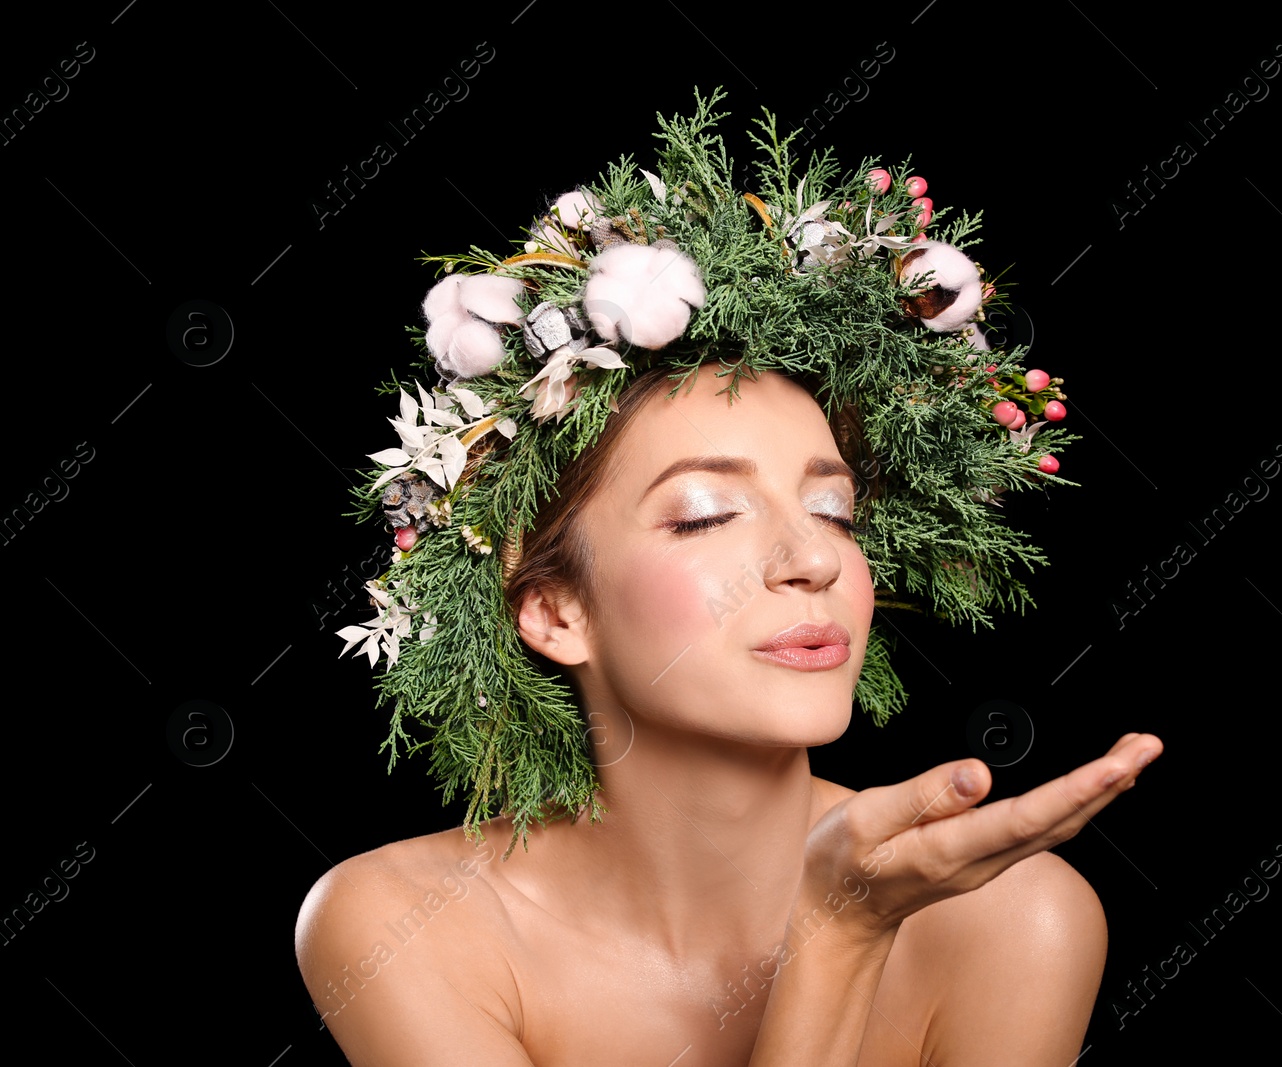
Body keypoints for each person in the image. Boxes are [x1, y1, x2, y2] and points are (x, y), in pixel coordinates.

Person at [296, 92, 1162, 1064]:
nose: (815, 558)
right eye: (706, 511)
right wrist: (837, 933)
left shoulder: (1012, 917)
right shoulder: (407, 925)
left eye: (832, 510)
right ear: (551, 608)